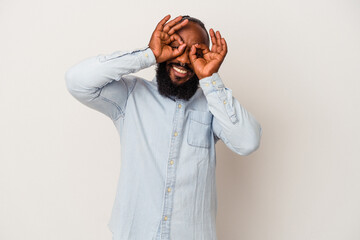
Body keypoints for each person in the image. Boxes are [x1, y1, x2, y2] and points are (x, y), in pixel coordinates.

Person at [65, 14, 262, 240]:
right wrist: (149, 54)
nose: (184, 60)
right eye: (176, 46)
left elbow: (248, 142)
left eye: (195, 52)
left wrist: (210, 79)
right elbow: (76, 81)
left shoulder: (212, 106)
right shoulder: (130, 96)